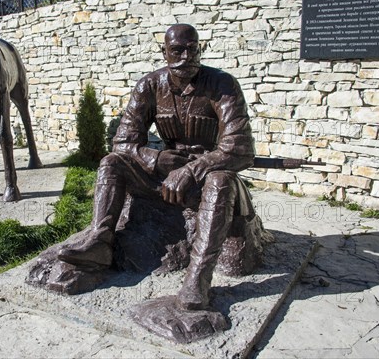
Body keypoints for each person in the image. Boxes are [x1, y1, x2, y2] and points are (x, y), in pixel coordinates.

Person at [58, 24, 255, 311]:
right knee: (111, 163)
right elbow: (122, 143)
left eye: (193, 48)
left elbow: (240, 149)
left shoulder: (223, 85)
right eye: (177, 50)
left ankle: (197, 279)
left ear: (201, 49)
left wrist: (191, 171)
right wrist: (156, 158)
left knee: (221, 180)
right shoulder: (149, 86)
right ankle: (99, 242)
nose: (186, 56)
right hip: (164, 173)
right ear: (164, 52)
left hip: (209, 176)